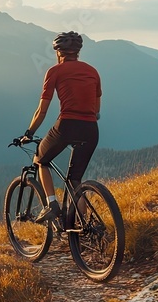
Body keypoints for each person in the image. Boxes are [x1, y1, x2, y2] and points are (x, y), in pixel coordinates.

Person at [21, 31, 101, 223]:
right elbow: (97, 110)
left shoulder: (54, 71)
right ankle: (81, 228)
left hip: (67, 125)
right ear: (78, 52)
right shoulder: (92, 71)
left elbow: (42, 111)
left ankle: (51, 204)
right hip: (91, 129)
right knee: (75, 181)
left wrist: (29, 133)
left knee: (40, 159)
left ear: (58, 53)